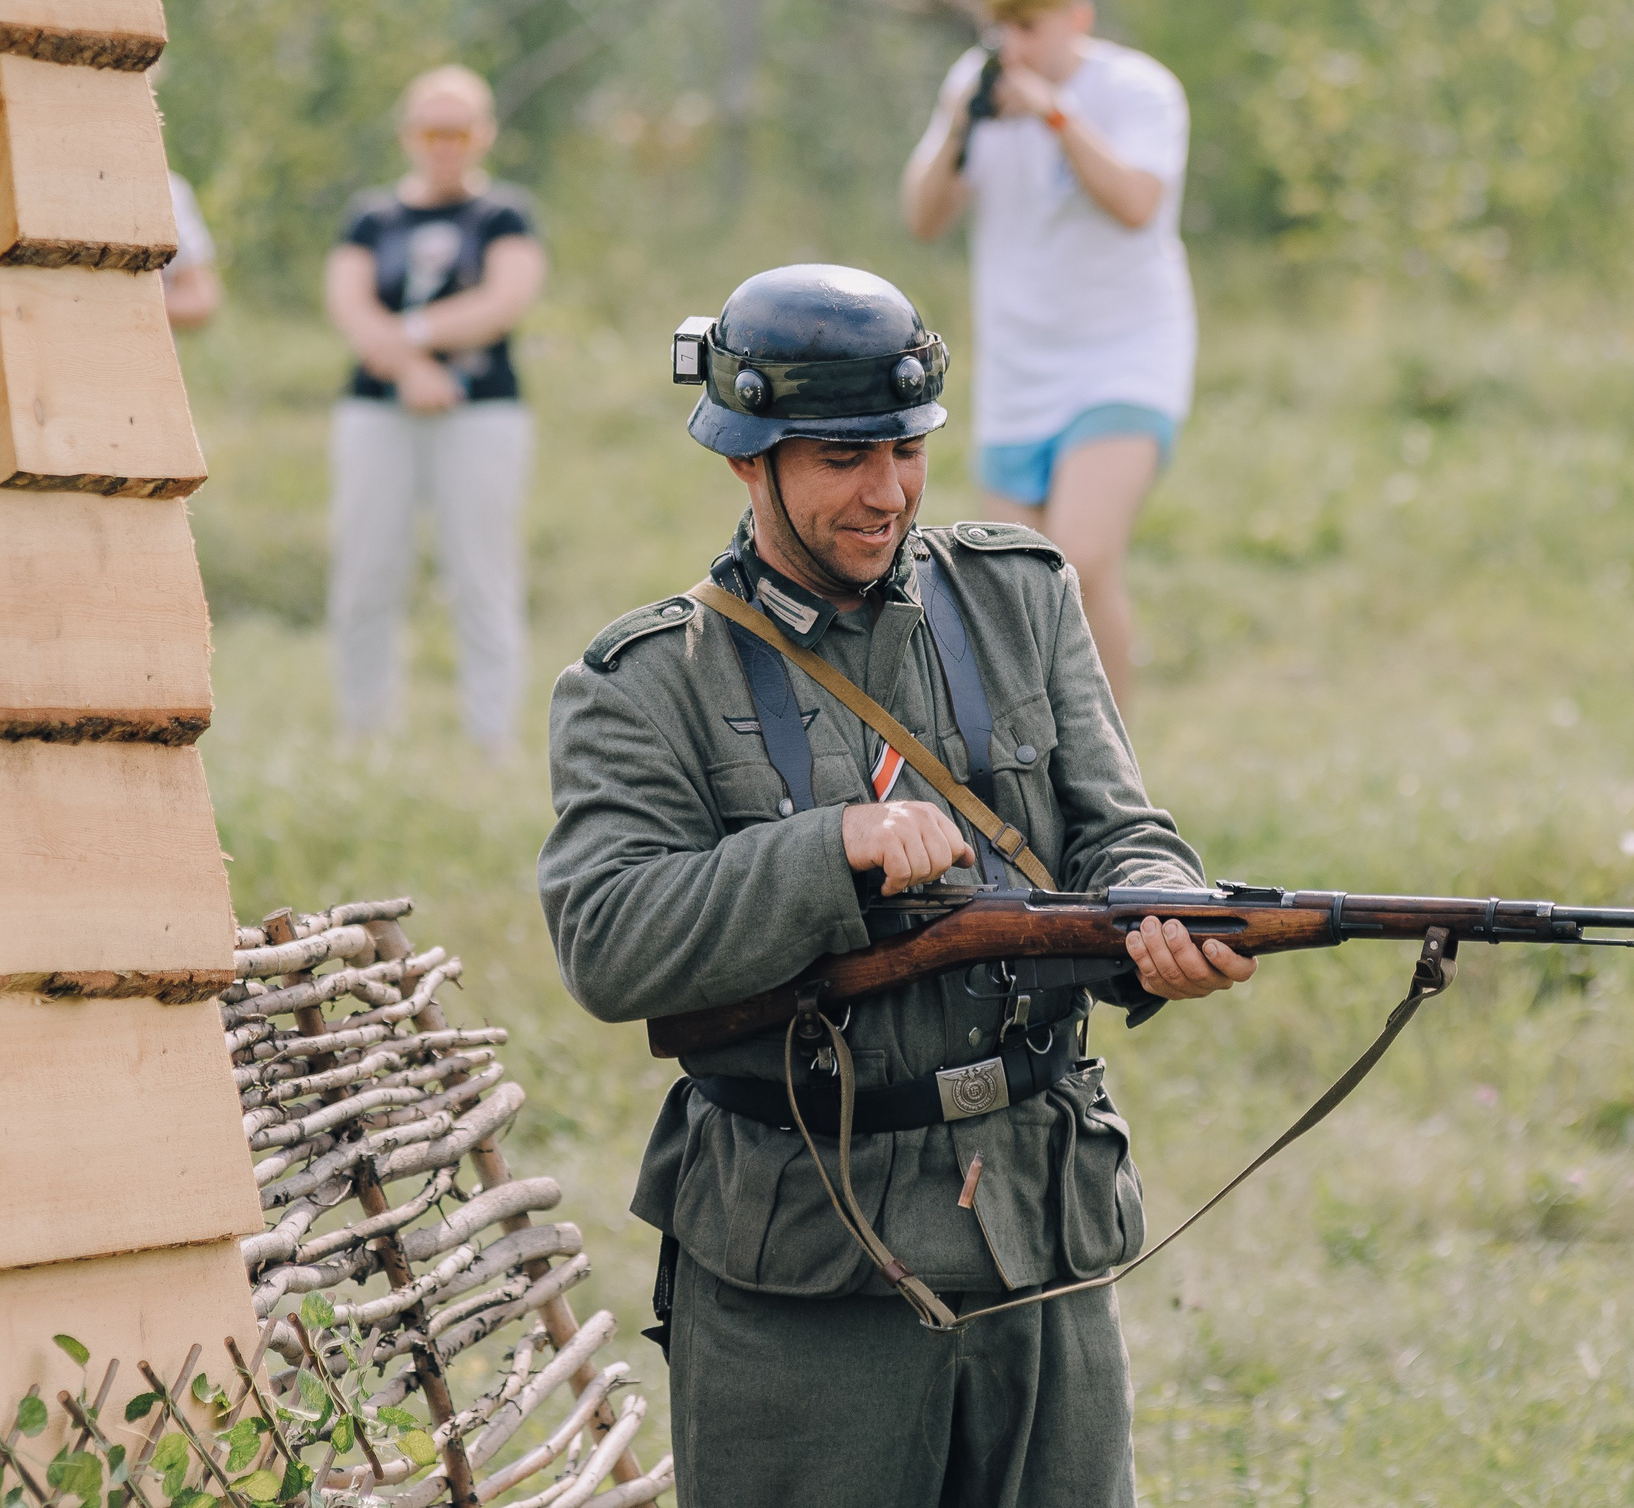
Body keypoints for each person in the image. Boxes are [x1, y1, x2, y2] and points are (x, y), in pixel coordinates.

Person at [537, 264, 1253, 1506]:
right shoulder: (643, 682)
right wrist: (830, 850)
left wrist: (1160, 909)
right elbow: (607, 941)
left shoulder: (1019, 595)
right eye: (839, 460)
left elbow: (1118, 829)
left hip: (1039, 1221)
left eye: (906, 448)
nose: (887, 492)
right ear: (746, 463)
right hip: (807, 1260)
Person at [901, 0, 1194, 714]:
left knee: (1081, 558)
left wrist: (1056, 116)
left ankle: (1117, 785)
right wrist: (965, 122)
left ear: (1077, 17)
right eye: (1002, 22)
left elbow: (1138, 204)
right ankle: (1052, 774)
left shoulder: (1138, 90)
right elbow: (924, 217)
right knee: (1017, 590)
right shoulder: (975, 83)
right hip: (1019, 366)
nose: (1014, 40)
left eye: (1030, 22)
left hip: (1125, 355)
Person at [322, 65, 548, 752]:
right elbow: (347, 302)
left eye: (458, 130)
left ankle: (490, 741)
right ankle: (362, 734)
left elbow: (503, 302)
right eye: (431, 129)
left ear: (482, 135)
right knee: (365, 570)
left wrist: (411, 335)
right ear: (408, 135)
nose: (444, 144)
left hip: (481, 412)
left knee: (482, 573)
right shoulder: (371, 215)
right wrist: (413, 366)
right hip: (377, 412)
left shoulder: (504, 214)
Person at [0, 151, 222, 464]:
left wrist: (117, 310)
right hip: (29, 400)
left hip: (131, 408)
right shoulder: (23, 172)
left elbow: (201, 300)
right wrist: (7, 295)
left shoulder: (162, 189)